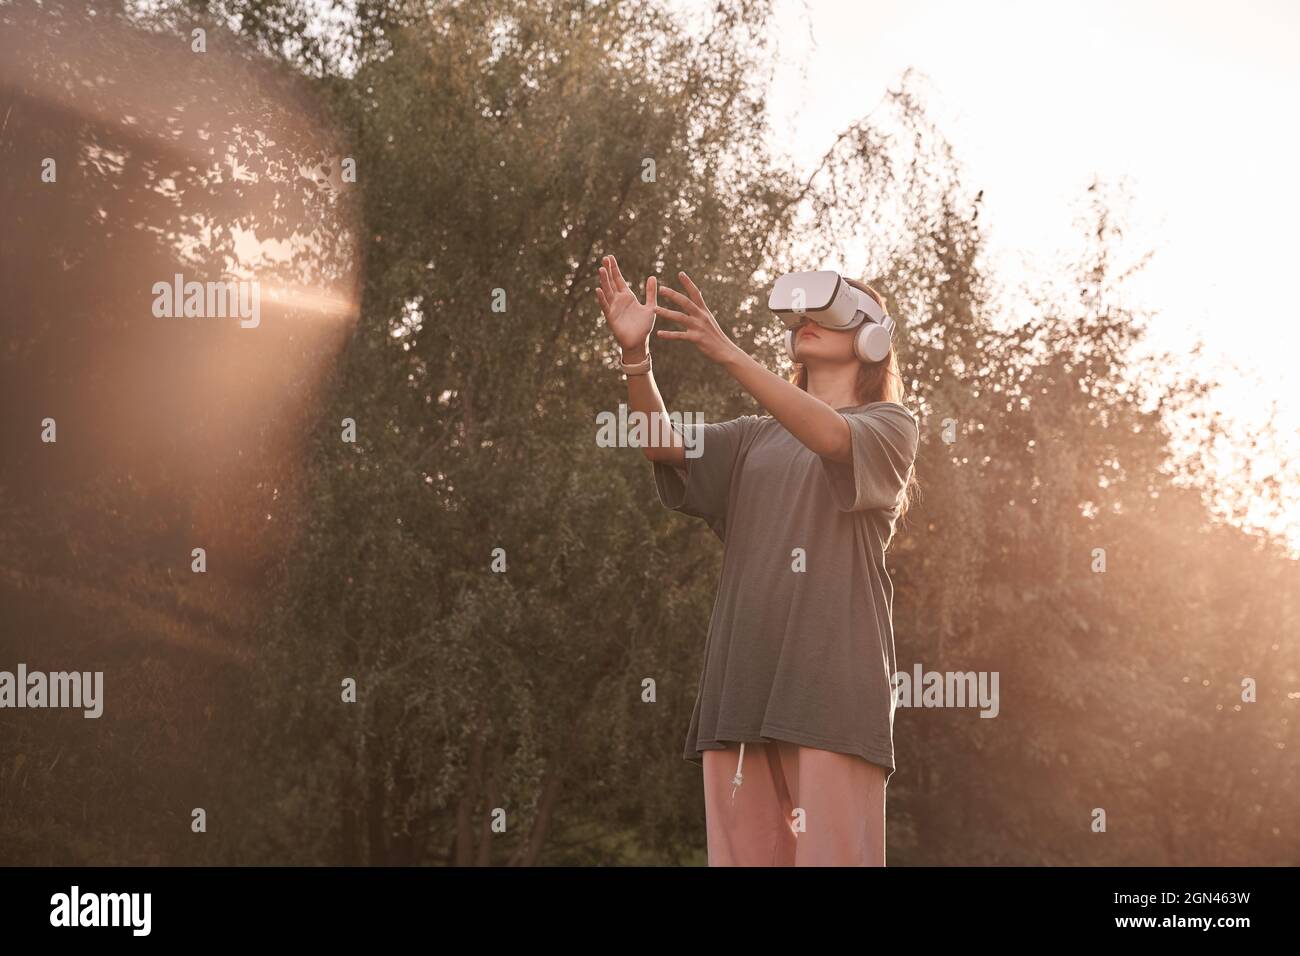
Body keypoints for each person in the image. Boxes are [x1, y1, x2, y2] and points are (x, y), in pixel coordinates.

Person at [595, 254, 919, 867]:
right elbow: (663, 444)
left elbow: (829, 437)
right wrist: (636, 359)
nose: (806, 321)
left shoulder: (890, 425)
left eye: (830, 312)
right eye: (800, 314)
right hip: (739, 694)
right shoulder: (752, 436)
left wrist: (729, 354)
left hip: (830, 698)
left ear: (873, 339)